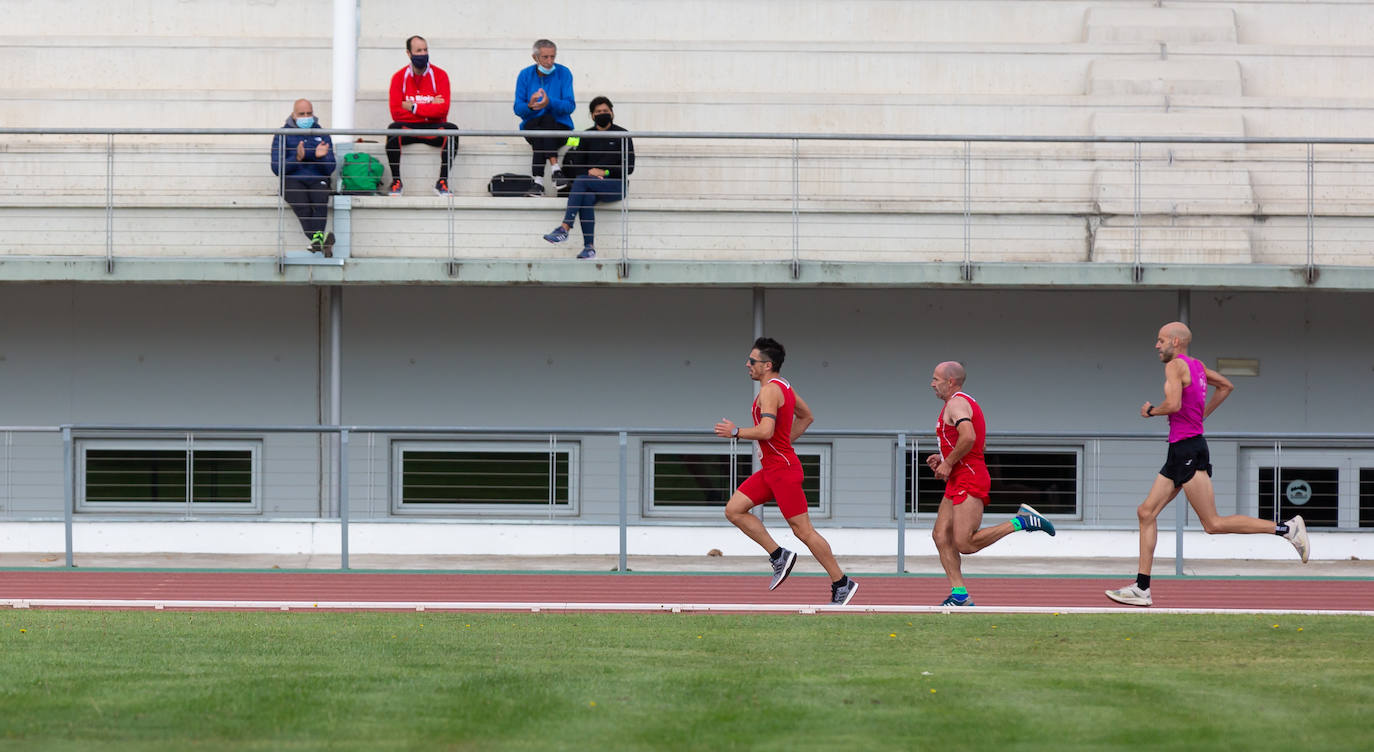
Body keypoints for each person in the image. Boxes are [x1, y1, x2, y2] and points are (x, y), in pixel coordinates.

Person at [1106, 322, 1309, 607]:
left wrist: (1151, 411)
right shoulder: (1198, 366)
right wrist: (1199, 416)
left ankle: (1286, 529)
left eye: (1160, 340)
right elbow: (1226, 386)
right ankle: (1142, 588)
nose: (1157, 345)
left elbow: (1174, 404)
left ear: (1175, 342)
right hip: (1180, 449)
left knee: (1212, 523)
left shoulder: (1175, 366)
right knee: (1146, 512)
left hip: (1188, 448)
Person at [713, 338, 859, 606]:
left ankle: (841, 582)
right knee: (734, 509)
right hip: (772, 468)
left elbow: (766, 431)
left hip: (782, 470)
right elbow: (807, 417)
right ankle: (779, 555)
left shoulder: (770, 391)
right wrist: (783, 443)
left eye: (752, 361)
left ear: (767, 365)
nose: (748, 364)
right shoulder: (785, 387)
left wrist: (735, 432)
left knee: (803, 531)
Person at [927, 361, 1056, 607]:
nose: (932, 384)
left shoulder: (956, 403)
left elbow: (969, 437)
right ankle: (960, 595)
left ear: (950, 381)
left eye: (935, 379)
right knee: (941, 535)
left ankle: (1021, 522)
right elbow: (976, 444)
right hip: (959, 477)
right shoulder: (958, 404)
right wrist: (943, 459)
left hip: (969, 477)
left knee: (964, 542)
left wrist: (949, 462)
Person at [540, 96, 634, 259]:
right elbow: (575, 164)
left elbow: (629, 167)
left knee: (582, 181)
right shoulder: (586, 136)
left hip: (616, 185)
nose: (602, 114)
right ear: (592, 115)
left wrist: (604, 173)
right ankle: (589, 248)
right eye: (598, 112)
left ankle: (565, 228)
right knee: (586, 197)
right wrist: (591, 173)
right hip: (591, 184)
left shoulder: (623, 134)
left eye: (605, 111)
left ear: (612, 113)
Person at [386, 35, 458, 197]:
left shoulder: (440, 75)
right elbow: (396, 112)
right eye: (419, 50)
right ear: (409, 53)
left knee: (452, 130)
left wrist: (413, 107)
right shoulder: (399, 77)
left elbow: (443, 110)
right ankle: (396, 182)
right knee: (393, 129)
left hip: (432, 129)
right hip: (409, 129)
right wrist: (430, 106)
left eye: (425, 50)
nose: (423, 54)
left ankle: (442, 182)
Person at [270, 98, 336, 256]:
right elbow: (277, 168)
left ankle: (317, 241)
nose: (306, 117)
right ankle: (319, 238)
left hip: (317, 178)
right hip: (293, 179)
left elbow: (330, 168)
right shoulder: (282, 135)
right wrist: (297, 158)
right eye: (301, 114)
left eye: (309, 113)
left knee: (320, 200)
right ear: (293, 114)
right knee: (303, 206)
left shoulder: (323, 134)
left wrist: (316, 156)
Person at [513, 39, 574, 196]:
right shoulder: (525, 75)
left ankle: (538, 182)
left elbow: (570, 106)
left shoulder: (564, 73)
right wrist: (530, 106)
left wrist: (550, 103)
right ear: (535, 58)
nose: (549, 61)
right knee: (541, 125)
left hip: (560, 127)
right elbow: (518, 109)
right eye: (545, 57)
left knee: (546, 123)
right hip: (532, 126)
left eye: (552, 57)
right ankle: (556, 171)